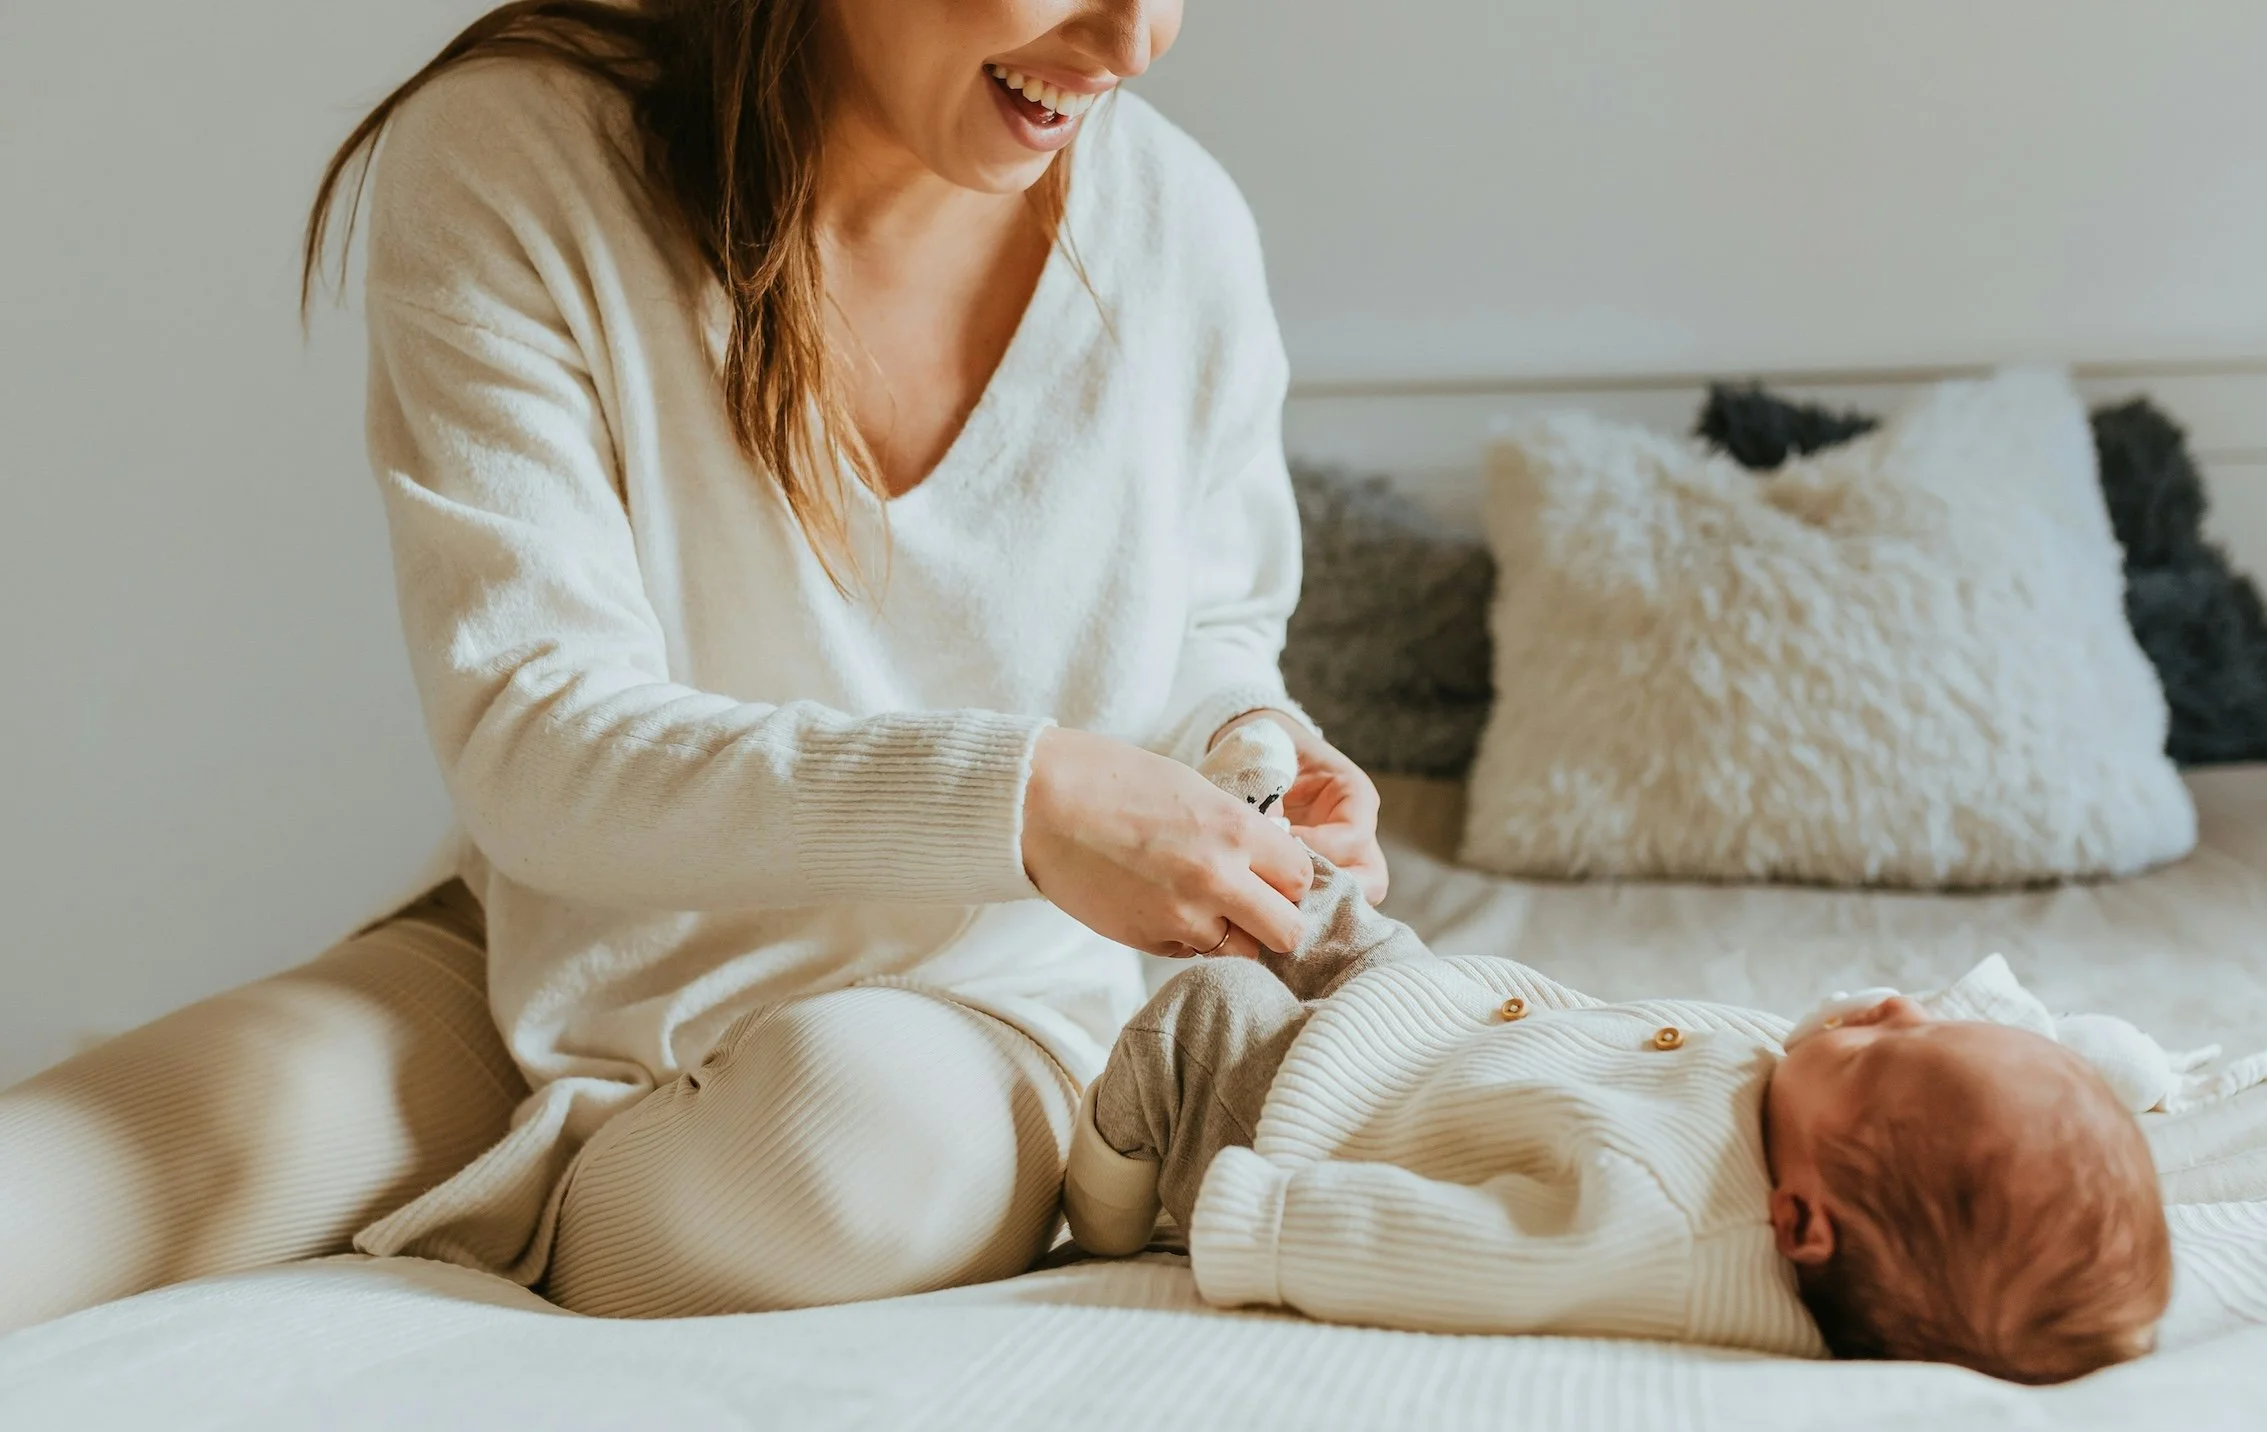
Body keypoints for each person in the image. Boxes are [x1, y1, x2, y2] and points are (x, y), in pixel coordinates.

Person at [0, 0, 1384, 1330]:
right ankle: (547, 1179)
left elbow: (1199, 632)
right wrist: (1027, 800)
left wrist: (1252, 753)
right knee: (57, 1181)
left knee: (841, 1148)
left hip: (974, 1012)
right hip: (550, 964)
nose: (1133, 38)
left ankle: (512, 1215)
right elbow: (535, 741)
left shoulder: (1180, 230)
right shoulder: (515, 149)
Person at [1066, 863, 2176, 1385]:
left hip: (1320, 1097)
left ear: (1798, 1222)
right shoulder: (1827, 1119)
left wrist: (1268, 1221)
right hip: (1434, 1011)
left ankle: (1109, 1206)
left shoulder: (1660, 1235)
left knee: (1202, 1014)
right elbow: (1964, 1108)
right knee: (1301, 886)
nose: (1895, 1007)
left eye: (1888, 1049)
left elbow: (1468, 1257)